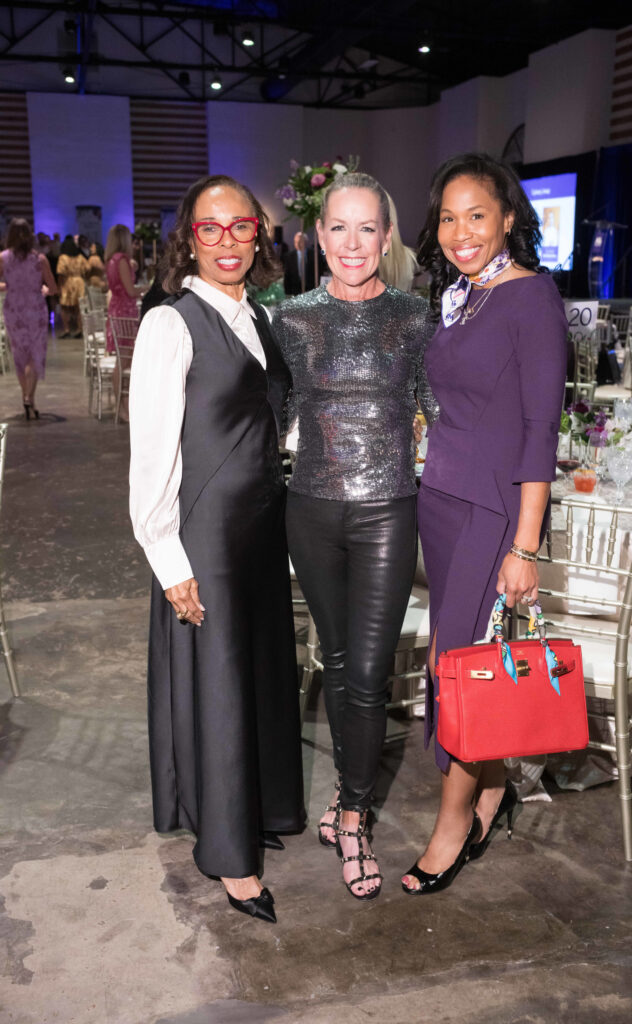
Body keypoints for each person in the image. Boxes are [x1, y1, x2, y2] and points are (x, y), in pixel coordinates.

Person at [129, 174, 304, 924]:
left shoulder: (261, 318)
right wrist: (169, 559)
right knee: (224, 686)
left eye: (242, 227)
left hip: (263, 528)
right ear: (188, 240)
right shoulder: (170, 323)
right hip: (207, 535)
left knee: (259, 675)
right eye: (211, 228)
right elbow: (151, 455)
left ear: (259, 236)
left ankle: (254, 808)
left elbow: (270, 421)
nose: (228, 241)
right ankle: (232, 860)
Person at [401, 153, 567, 895]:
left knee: (458, 676)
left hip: (492, 510)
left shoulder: (530, 297)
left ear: (507, 218)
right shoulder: (462, 296)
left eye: (477, 215)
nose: (460, 231)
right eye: (447, 217)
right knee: (461, 660)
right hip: (441, 501)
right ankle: (490, 789)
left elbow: (541, 428)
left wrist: (525, 545)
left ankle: (453, 825)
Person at [272, 172, 437, 901]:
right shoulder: (291, 318)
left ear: (387, 237)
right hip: (309, 511)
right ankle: (347, 800)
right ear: (316, 236)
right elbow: (266, 418)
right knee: (337, 664)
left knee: (368, 676)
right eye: (338, 227)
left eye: (367, 228)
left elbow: (443, 410)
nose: (351, 243)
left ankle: (352, 813)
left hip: (386, 512)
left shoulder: (414, 316)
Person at [0, 218, 58, 418]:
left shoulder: (3, 258)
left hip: (14, 309)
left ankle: (26, 396)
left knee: (20, 354)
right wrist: (42, 289)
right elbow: (53, 288)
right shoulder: (39, 259)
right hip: (35, 308)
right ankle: (29, 398)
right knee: (35, 353)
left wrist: (9, 286)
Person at [105, 224, 148, 423]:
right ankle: (121, 407)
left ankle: (125, 404)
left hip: (119, 308)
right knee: (123, 361)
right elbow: (130, 291)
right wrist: (147, 288)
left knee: (124, 360)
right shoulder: (121, 260)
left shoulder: (112, 260)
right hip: (124, 311)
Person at [56, 235, 87, 338]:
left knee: (64, 307)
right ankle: (80, 328)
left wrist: (59, 286)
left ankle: (67, 329)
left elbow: (60, 273)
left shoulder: (63, 258)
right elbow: (87, 269)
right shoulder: (80, 257)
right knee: (79, 307)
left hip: (67, 282)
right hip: (79, 282)